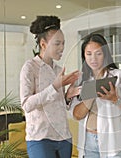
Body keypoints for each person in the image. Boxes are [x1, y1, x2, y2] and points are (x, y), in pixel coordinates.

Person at [70, 34, 121, 158]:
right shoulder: (80, 80)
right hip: (88, 143)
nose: (93, 59)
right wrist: (90, 95)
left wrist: (115, 99)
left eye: (98, 53)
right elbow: (76, 115)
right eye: (89, 54)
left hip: (115, 143)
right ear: (84, 56)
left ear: (105, 54)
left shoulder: (120, 76)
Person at [20, 15, 79, 158]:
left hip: (63, 137)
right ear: (43, 44)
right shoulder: (30, 67)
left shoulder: (58, 70)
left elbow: (58, 105)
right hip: (40, 138)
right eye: (57, 43)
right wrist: (55, 86)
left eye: (63, 43)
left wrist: (67, 97)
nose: (62, 48)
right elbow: (26, 105)